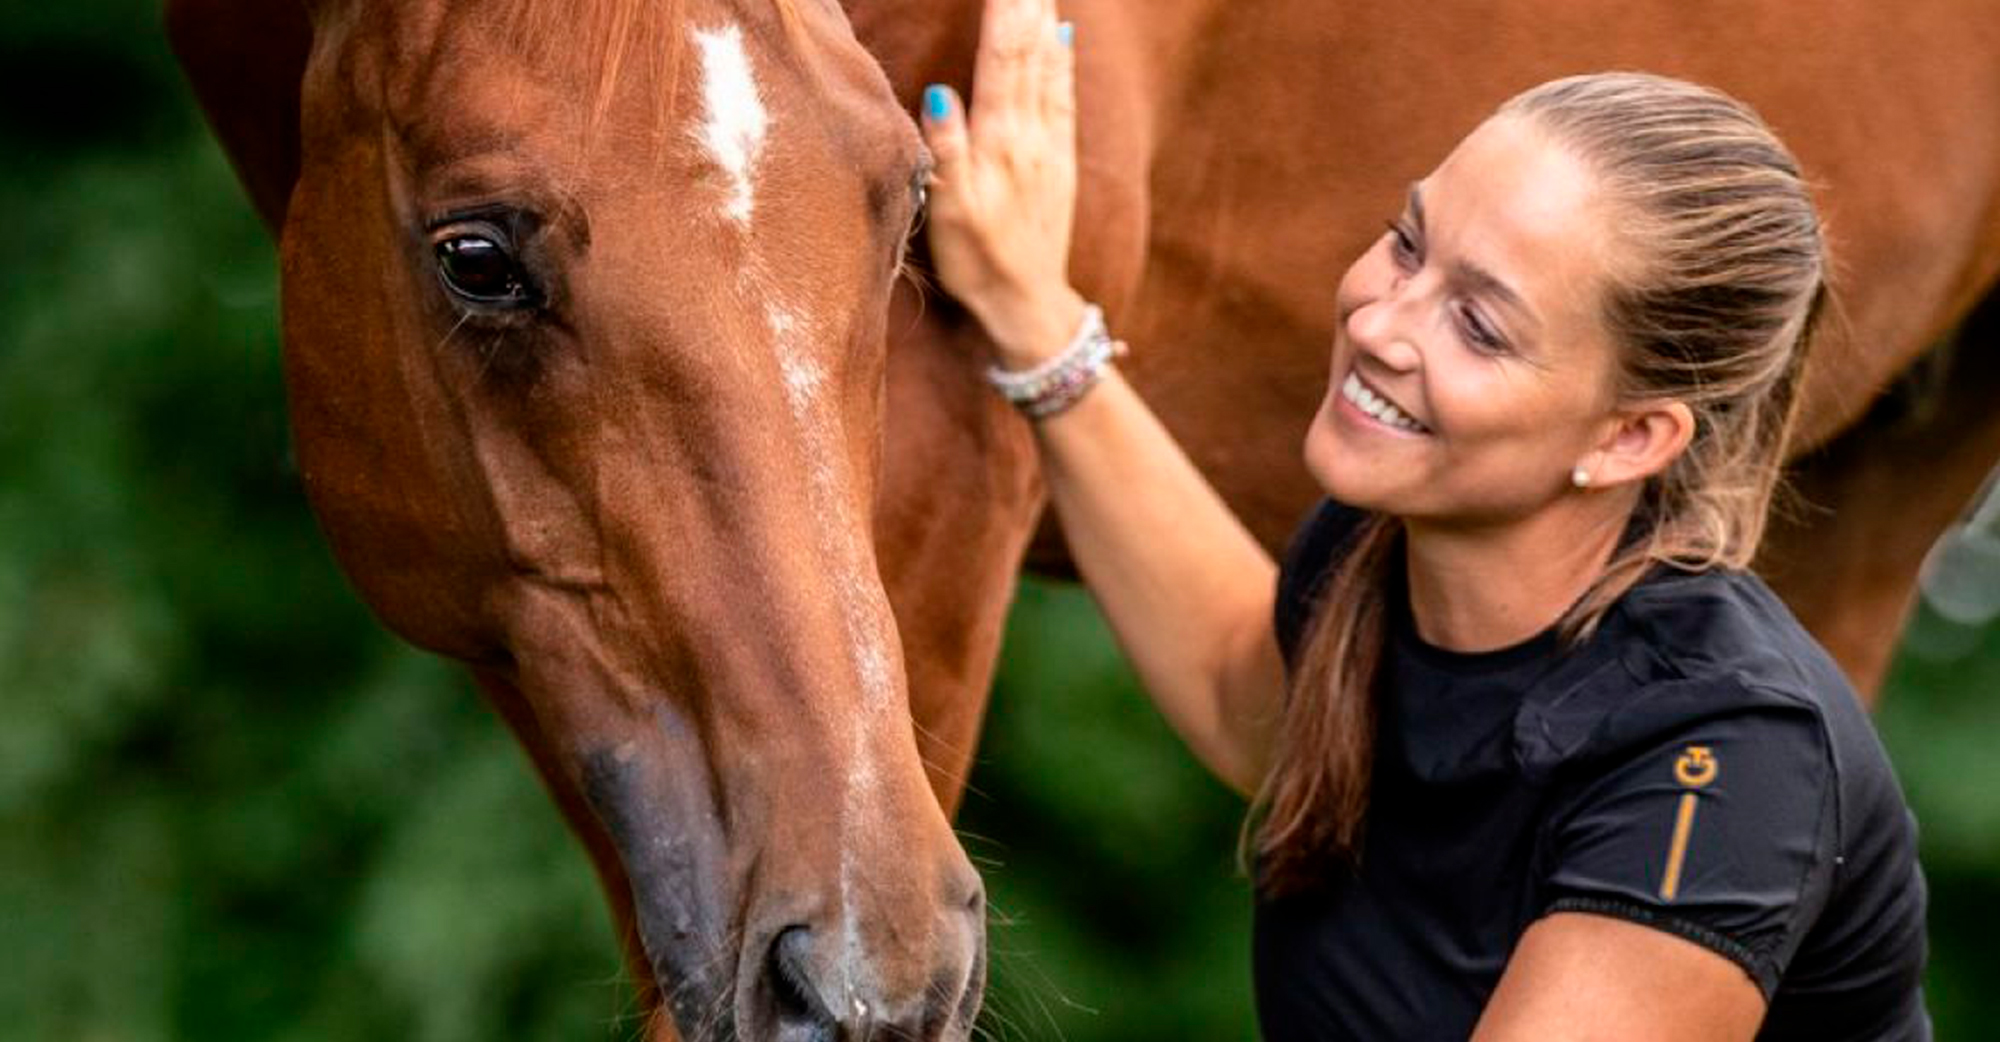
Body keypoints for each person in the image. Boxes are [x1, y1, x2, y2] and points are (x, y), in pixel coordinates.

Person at [914, 1, 1931, 1039]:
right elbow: (1247, 696)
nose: (1376, 322)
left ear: (1631, 438)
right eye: (1407, 243)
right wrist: (1027, 306)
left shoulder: (1723, 759)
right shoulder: (1380, 555)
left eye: (1479, 326)